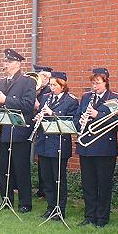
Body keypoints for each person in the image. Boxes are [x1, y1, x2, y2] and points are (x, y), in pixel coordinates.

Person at [75, 67, 118, 227]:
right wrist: (81, 121)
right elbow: (76, 117)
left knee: (103, 184)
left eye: (97, 83)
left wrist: (98, 115)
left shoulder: (115, 99)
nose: (94, 86)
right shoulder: (86, 97)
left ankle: (102, 218)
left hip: (105, 149)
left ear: (106, 82)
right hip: (86, 147)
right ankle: (89, 216)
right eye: (93, 83)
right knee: (88, 184)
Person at [0, 48, 36, 213]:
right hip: (4, 130)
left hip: (20, 131)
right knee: (4, 168)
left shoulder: (27, 81)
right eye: (5, 61)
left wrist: (6, 100)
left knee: (21, 168)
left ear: (18, 64)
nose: (5, 64)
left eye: (9, 62)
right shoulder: (2, 82)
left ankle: (25, 203)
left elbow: (28, 105)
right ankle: (6, 200)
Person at [34, 71, 78, 220]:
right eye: (51, 84)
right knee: (46, 178)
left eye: (54, 85)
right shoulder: (46, 97)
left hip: (59, 144)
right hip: (44, 143)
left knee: (58, 179)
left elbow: (71, 123)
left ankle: (60, 209)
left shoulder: (70, 101)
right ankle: (50, 207)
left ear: (62, 85)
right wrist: (39, 118)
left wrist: (52, 113)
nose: (51, 88)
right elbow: (42, 115)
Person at [33, 64, 52, 198]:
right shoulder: (40, 90)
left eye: (42, 76)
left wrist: (37, 105)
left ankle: (44, 190)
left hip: (48, 130)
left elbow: (40, 106)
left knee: (46, 164)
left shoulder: (47, 91)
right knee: (41, 162)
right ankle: (42, 189)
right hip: (41, 130)